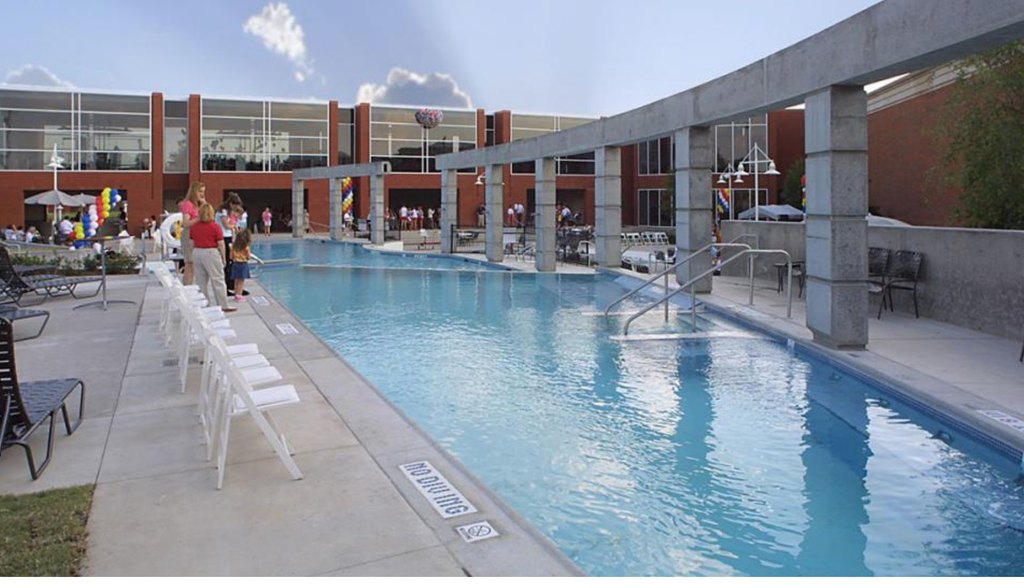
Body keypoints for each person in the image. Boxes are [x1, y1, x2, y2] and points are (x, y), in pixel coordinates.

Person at [190, 202, 236, 313]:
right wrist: (223, 258)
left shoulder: (194, 227)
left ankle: (204, 304)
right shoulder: (215, 226)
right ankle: (223, 304)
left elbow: (191, 242)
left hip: (197, 252)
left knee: (200, 281)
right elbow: (221, 244)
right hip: (211, 252)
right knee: (218, 280)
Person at [179, 181, 206, 285]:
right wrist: (199, 218)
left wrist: (204, 203)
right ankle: (187, 287)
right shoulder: (188, 204)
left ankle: (189, 286)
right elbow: (185, 223)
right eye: (200, 191)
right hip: (189, 235)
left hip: (197, 235)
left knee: (194, 264)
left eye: (203, 192)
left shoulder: (198, 205)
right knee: (189, 264)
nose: (202, 194)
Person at [230, 229, 252, 303]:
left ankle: (236, 294)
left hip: (235, 264)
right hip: (243, 264)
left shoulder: (233, 246)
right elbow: (248, 257)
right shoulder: (246, 247)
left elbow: (231, 257)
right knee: (241, 281)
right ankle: (239, 295)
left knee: (236, 281)